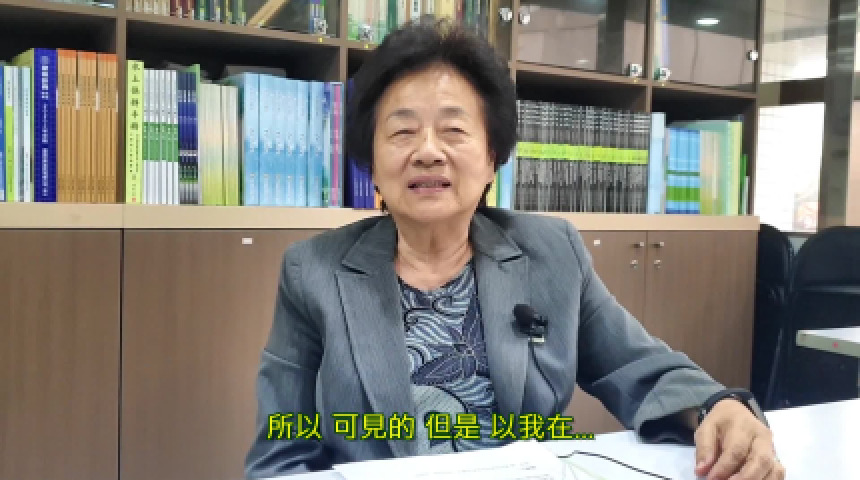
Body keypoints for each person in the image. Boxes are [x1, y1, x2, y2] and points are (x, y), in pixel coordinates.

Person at [245, 19, 783, 480]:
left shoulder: (551, 252)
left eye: (453, 130)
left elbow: (642, 369)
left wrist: (719, 405)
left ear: (491, 157)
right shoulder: (313, 272)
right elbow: (282, 454)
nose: (428, 152)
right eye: (402, 132)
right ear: (372, 161)